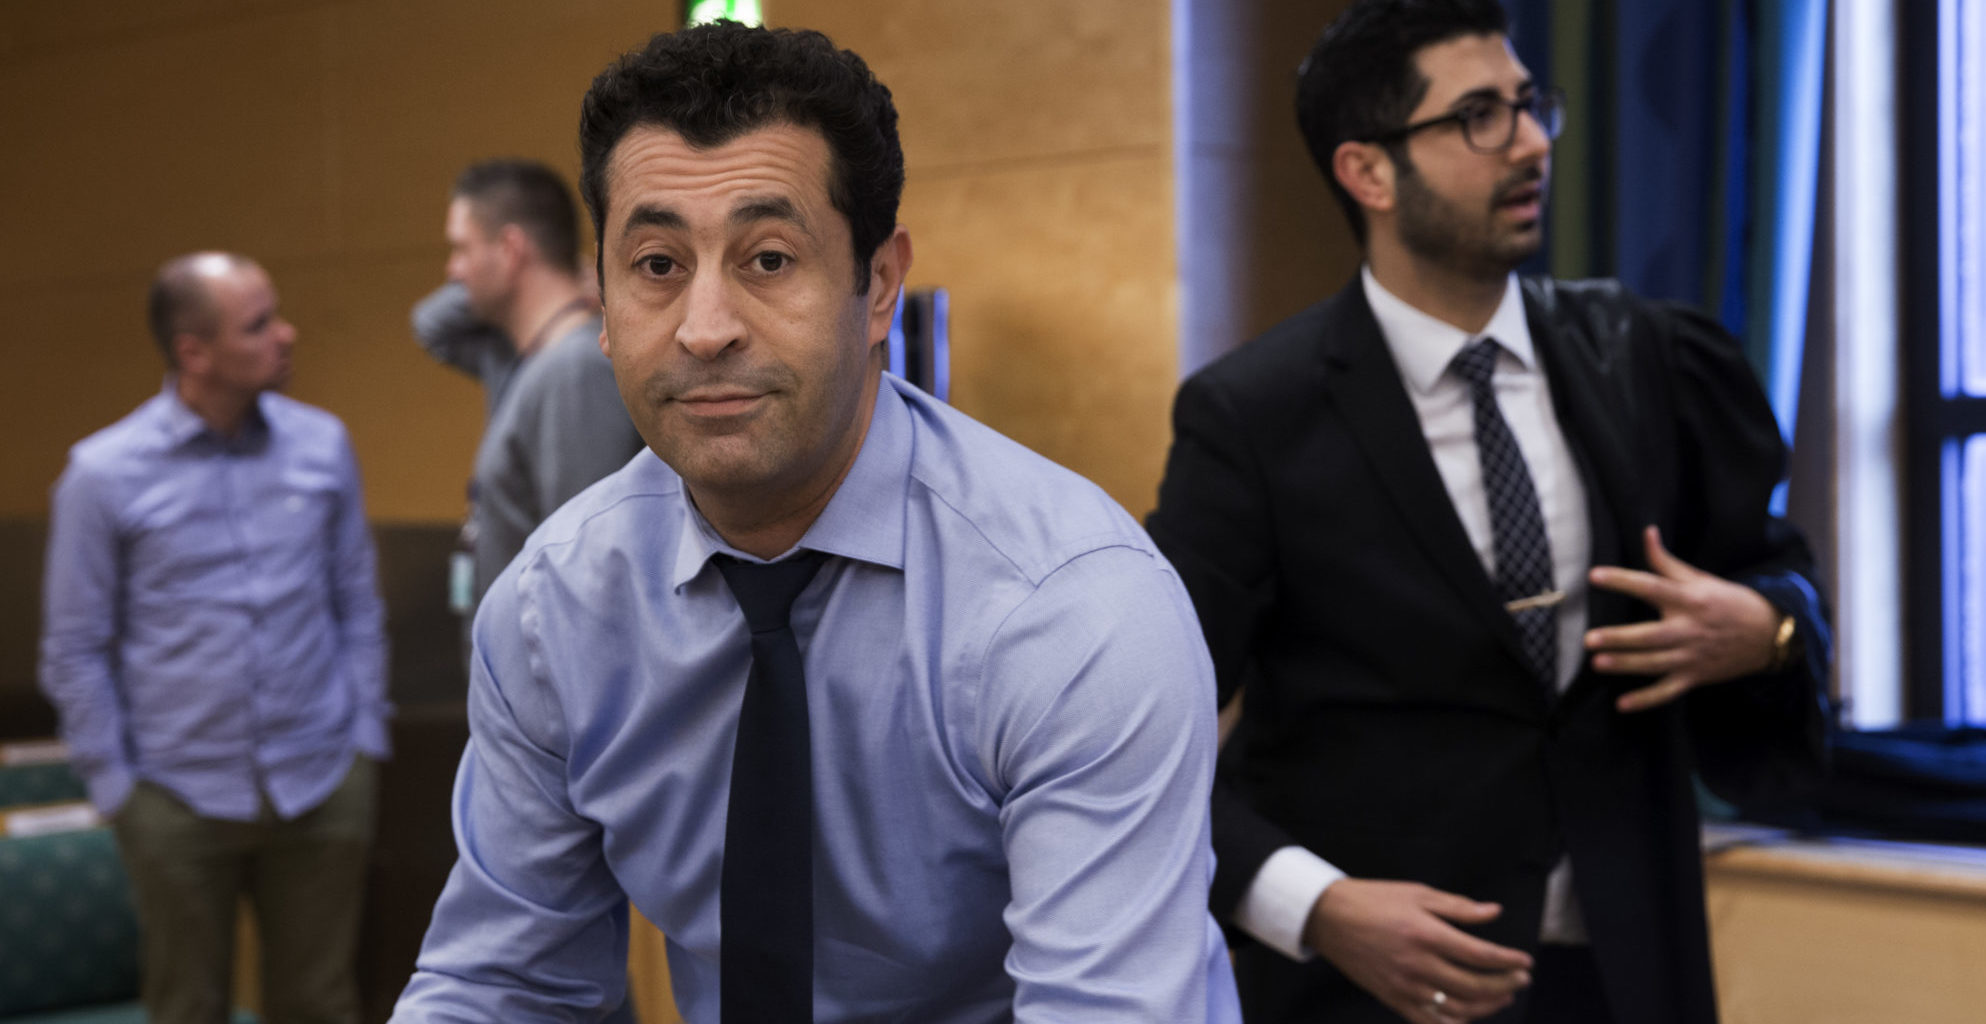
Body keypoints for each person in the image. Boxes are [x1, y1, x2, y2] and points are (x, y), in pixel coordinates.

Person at [390, 21, 1241, 1023]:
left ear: (878, 286)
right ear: (603, 307)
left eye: (768, 258)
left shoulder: (1070, 609)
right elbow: (503, 981)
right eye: (657, 265)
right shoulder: (556, 608)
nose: (706, 328)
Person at [1146, 2, 1831, 1023]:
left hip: (1627, 971)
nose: (1533, 142)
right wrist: (1315, 905)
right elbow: (1134, 726)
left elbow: (1780, 577)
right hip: (1377, 990)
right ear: (1368, 171)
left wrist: (1767, 628)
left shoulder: (1645, 358)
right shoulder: (1255, 416)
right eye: (1478, 116)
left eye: (1529, 104)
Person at [39, 252, 390, 1024]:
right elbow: (74, 649)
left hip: (321, 778)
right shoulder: (102, 474)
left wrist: (365, 735)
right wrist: (116, 788)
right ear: (194, 352)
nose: (286, 334)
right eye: (258, 325)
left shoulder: (323, 446)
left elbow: (356, 605)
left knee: (320, 1004)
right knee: (187, 1007)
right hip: (175, 795)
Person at [414, 159, 643, 613]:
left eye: (462, 249)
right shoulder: (524, 358)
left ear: (510, 249)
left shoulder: (575, 371)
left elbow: (587, 571)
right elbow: (428, 323)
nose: (453, 271)